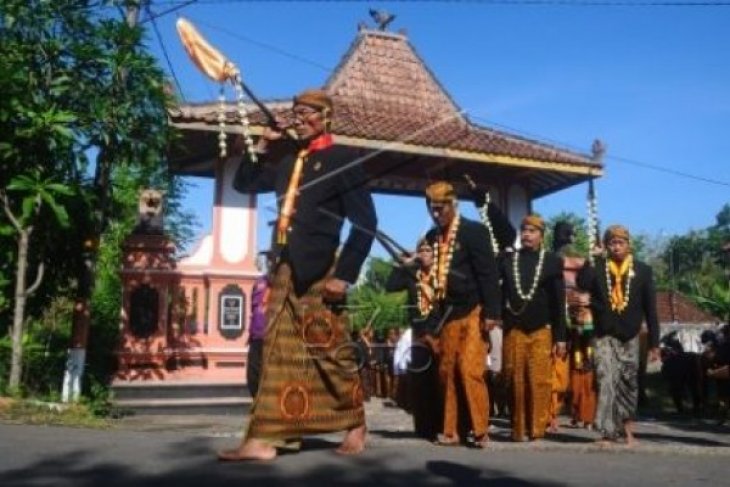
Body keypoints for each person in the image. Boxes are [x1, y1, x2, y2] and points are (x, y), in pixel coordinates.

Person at [219, 88, 377, 461]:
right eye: (295, 112)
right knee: (275, 353)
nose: (298, 118)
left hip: (322, 271)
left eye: (306, 112)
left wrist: (345, 274)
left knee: (330, 350)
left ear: (325, 116)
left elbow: (366, 222)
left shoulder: (343, 159)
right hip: (285, 268)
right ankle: (265, 439)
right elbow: (244, 184)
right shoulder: (290, 163)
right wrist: (259, 147)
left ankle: (355, 423)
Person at [422, 181, 501, 448]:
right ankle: (452, 430)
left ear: (453, 204)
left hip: (474, 310)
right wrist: (431, 326)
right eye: (432, 209)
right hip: (447, 314)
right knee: (445, 372)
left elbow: (488, 274)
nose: (436, 214)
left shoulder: (474, 232)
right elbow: (433, 284)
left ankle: (480, 431)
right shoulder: (433, 238)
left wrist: (492, 312)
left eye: (440, 208)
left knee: (469, 369)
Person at [577, 225, 660, 446]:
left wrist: (654, 344)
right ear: (606, 245)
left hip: (631, 336)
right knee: (606, 380)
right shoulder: (598, 267)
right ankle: (607, 432)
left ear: (628, 244)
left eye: (620, 242)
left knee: (629, 383)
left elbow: (651, 310)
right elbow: (581, 283)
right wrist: (590, 258)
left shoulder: (642, 271)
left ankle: (628, 431)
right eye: (612, 243)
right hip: (604, 334)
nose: (616, 246)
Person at [500, 214, 567, 442]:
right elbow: (499, 295)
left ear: (541, 235)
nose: (527, 234)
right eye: (524, 230)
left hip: (542, 329)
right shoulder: (508, 260)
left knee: (539, 380)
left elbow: (559, 302)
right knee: (513, 378)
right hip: (514, 328)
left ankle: (537, 429)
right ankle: (518, 429)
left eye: (533, 230)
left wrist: (561, 337)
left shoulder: (551, 261)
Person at [385, 238, 443, 440]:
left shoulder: (443, 272)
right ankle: (424, 428)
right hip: (419, 333)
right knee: (420, 381)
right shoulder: (412, 273)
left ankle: (445, 426)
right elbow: (390, 286)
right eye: (422, 250)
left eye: (429, 249)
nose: (425, 253)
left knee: (441, 380)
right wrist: (402, 264)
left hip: (441, 332)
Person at [246, 252, 272, 398]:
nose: (269, 263)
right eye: (268, 260)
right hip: (256, 337)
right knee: (252, 377)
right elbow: (253, 308)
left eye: (272, 259)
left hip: (273, 337)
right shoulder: (259, 282)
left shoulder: (284, 283)